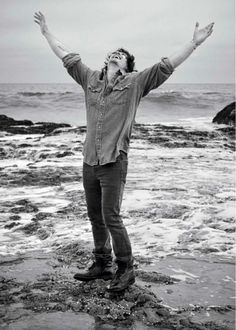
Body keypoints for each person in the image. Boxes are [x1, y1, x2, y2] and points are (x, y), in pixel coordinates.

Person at [34, 11, 214, 292]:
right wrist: (46, 32)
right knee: (95, 215)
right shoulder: (90, 79)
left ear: (128, 66)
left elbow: (166, 65)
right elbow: (66, 55)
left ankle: (126, 268)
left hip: (114, 160)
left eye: (122, 55)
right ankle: (102, 263)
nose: (116, 54)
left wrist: (194, 43)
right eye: (113, 53)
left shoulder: (135, 83)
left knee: (111, 216)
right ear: (107, 61)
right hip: (89, 160)